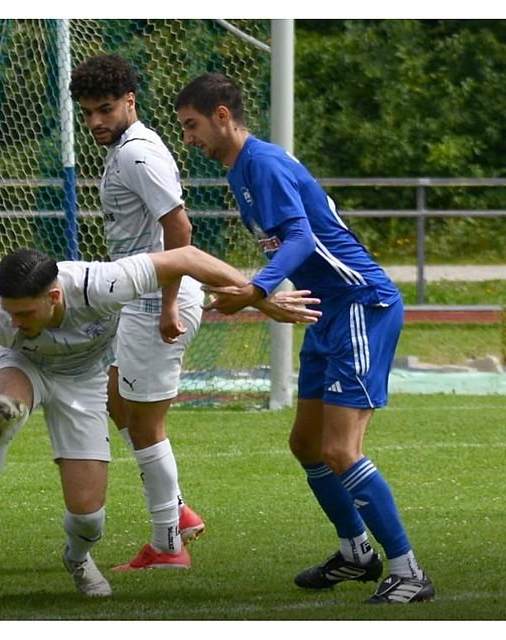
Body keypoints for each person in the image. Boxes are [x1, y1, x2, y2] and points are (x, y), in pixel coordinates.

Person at [0, 245, 321, 598]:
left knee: (89, 518)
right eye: (9, 312)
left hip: (82, 382)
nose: (14, 320)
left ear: (54, 295)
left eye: (24, 313)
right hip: (20, 367)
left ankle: (78, 557)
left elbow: (187, 256)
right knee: (3, 414)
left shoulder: (102, 283)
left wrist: (259, 296)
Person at [173, 72, 435, 605]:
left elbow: (301, 237)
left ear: (222, 116)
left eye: (192, 125)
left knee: (340, 449)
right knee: (306, 445)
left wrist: (256, 290)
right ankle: (356, 552)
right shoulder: (242, 170)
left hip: (361, 304)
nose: (188, 138)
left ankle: (409, 572)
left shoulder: (263, 164)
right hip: (326, 311)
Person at [69, 53, 205, 571]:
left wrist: (167, 305)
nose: (95, 121)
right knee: (114, 397)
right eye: (87, 113)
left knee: (147, 426)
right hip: (140, 299)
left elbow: (180, 228)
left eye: (105, 109)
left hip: (158, 301)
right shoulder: (125, 148)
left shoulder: (137, 154)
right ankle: (178, 510)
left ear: (130, 101)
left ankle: (168, 544)